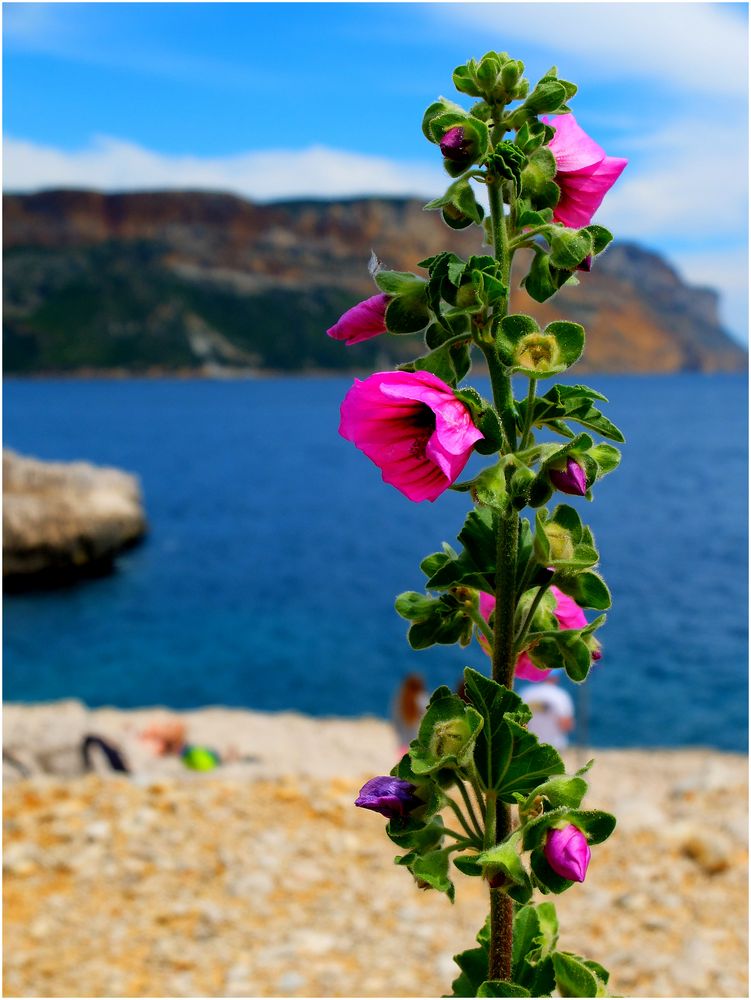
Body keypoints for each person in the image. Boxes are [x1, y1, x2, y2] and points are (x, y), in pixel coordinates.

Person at [516, 675, 575, 750]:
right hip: (553, 746)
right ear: (555, 677)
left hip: (528, 743)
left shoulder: (525, 693)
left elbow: (518, 722)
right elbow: (566, 725)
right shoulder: (561, 696)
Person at [391, 673, 429, 756]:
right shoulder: (423, 699)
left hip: (403, 743)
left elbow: (395, 720)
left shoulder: (400, 699)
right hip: (418, 743)